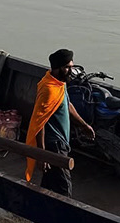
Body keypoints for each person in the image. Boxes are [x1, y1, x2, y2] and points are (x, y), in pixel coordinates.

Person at [24, 48, 96, 197]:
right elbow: (40, 122)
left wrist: (84, 125)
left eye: (72, 67)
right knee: (64, 189)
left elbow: (67, 104)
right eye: (67, 67)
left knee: (49, 186)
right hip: (54, 146)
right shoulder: (48, 89)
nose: (71, 71)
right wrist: (42, 154)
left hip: (61, 142)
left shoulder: (59, 84)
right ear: (57, 68)